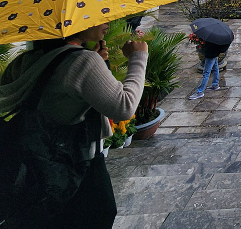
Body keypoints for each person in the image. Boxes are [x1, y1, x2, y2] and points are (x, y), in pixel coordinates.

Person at [0, 23, 148, 229]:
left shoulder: (22, 61)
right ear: (73, 22)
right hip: (75, 168)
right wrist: (138, 58)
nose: (106, 22)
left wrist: (91, 62)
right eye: (96, 16)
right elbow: (124, 107)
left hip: (31, 167)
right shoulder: (83, 61)